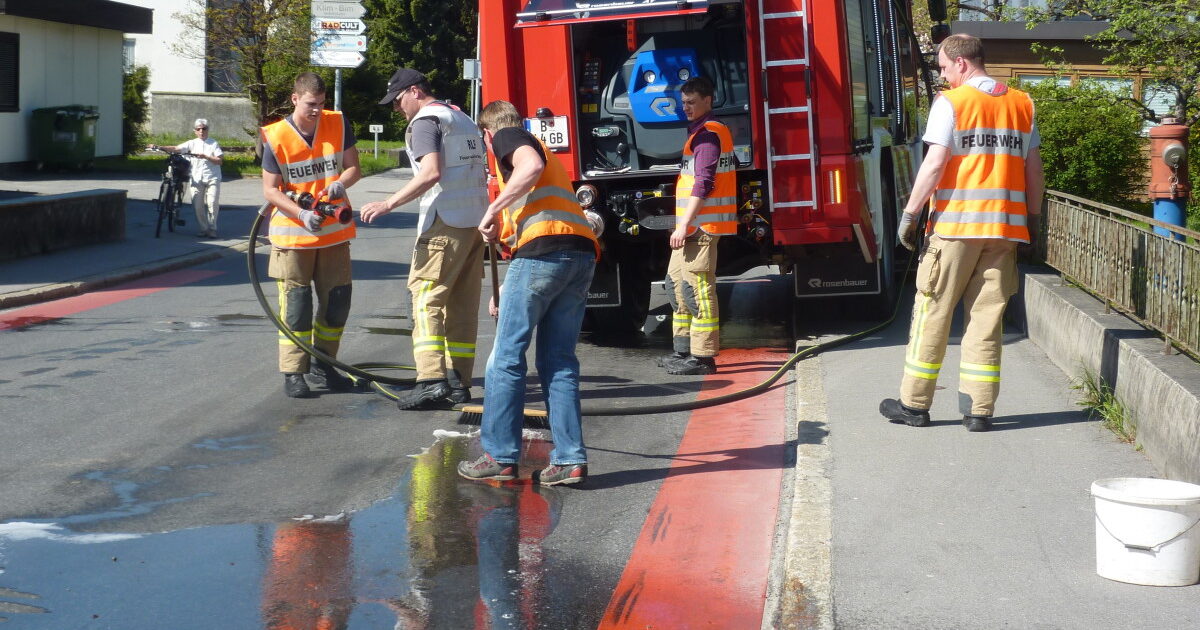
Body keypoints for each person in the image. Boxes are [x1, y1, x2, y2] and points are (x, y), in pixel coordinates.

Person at [879, 34, 1044, 432]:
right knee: (986, 320)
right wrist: (1033, 220)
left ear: (962, 64)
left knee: (932, 311)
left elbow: (935, 164)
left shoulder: (951, 103)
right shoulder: (1022, 104)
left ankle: (914, 404)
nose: (943, 74)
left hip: (955, 229)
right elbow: (1034, 171)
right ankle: (979, 411)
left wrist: (910, 213)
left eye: (944, 67)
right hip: (1004, 231)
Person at [457, 100, 600, 486]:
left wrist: (492, 209)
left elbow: (528, 168)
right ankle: (570, 460)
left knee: (505, 358)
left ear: (488, 134)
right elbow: (534, 223)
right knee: (559, 361)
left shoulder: (510, 136)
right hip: (578, 256)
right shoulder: (546, 157)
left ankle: (500, 455)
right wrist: (505, 284)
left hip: (545, 256)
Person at [360, 68, 489, 410]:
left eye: (398, 99)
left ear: (414, 91)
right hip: (474, 224)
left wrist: (388, 203)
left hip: (444, 223)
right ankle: (459, 383)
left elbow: (432, 172)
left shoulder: (425, 122)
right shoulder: (461, 119)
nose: (396, 108)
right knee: (462, 307)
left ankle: (431, 379)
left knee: (424, 300)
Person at [260, 72, 362, 398]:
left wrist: (341, 183)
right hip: (293, 237)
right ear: (294, 99)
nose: (317, 110)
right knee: (297, 306)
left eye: (320, 104)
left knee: (337, 303)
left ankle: (324, 365)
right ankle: (294, 372)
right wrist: (301, 213)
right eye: (310, 105)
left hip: (333, 234)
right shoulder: (276, 137)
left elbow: (353, 168)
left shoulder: (338, 123)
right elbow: (270, 190)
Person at [658, 76, 738, 376]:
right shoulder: (699, 134)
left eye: (692, 102)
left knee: (698, 290)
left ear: (708, 100)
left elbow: (704, 184)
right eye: (684, 104)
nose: (686, 108)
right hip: (692, 228)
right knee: (676, 285)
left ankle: (703, 357)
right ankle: (683, 350)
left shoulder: (708, 137)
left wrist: (685, 224)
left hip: (702, 229)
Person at [147, 118, 223, 238]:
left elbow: (219, 161)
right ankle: (204, 229)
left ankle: (212, 228)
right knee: (197, 205)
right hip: (196, 177)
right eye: (199, 129)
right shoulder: (192, 143)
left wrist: (206, 157)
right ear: (195, 131)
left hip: (212, 178)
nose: (201, 131)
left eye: (204, 128)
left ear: (208, 130)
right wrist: (159, 147)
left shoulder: (213, 143)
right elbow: (176, 149)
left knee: (212, 203)